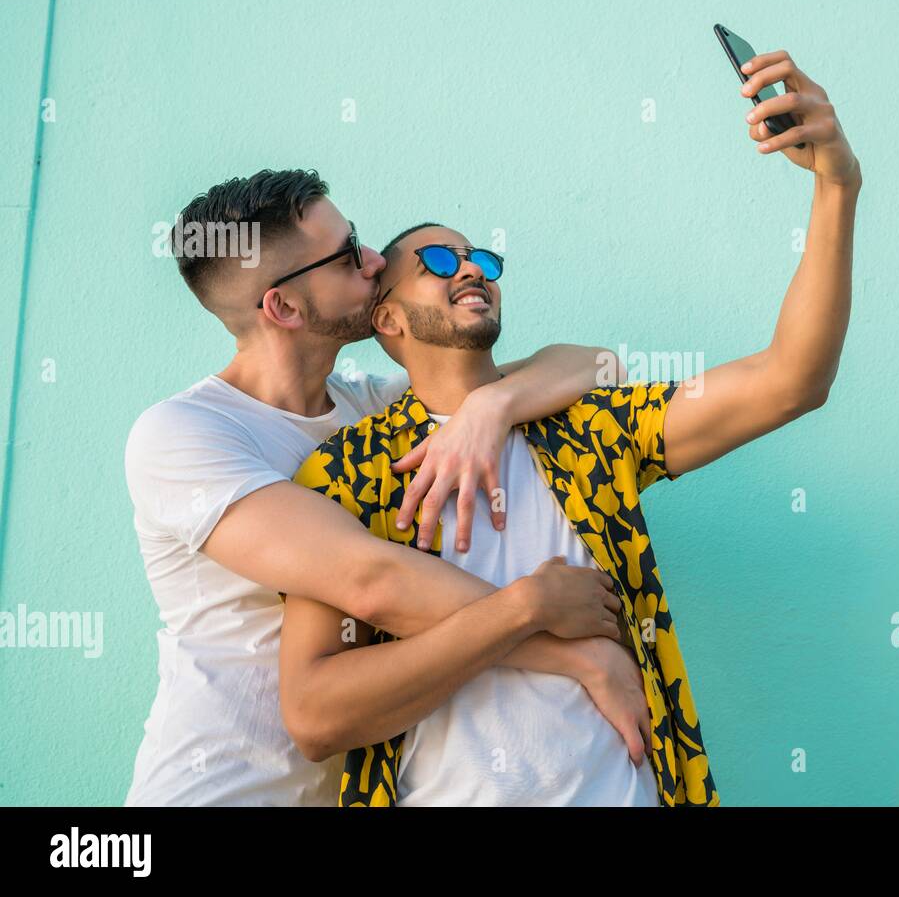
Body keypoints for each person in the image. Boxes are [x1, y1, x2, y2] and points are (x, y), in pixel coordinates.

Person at [281, 49, 862, 806]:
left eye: (480, 256)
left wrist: (836, 188)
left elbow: (792, 380)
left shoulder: (588, 428)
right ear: (385, 316)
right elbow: (316, 713)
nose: (471, 268)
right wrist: (527, 608)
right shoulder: (347, 472)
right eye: (436, 257)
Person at [124, 169, 639, 805]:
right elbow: (370, 580)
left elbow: (594, 366)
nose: (373, 264)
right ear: (282, 307)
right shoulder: (185, 435)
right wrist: (572, 651)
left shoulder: (370, 413)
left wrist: (490, 409)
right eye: (346, 256)